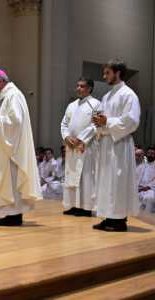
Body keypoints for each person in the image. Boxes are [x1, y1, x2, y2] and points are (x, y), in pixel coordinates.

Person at [0, 69, 42, 226]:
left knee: (10, 182)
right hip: (1, 148)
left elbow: (16, 121)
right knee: (4, 181)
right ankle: (6, 214)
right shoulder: (2, 98)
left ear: (0, 81)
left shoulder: (13, 95)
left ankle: (13, 215)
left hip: (10, 149)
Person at [92, 59, 140, 232]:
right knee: (105, 181)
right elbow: (103, 120)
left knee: (117, 182)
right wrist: (98, 122)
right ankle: (107, 216)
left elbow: (132, 121)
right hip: (106, 144)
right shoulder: (107, 96)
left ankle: (119, 220)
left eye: (107, 73)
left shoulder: (129, 95)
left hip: (119, 145)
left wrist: (107, 121)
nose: (104, 76)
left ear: (118, 73)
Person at [61, 77, 100, 217]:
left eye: (82, 86)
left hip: (86, 146)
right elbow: (64, 123)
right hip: (71, 147)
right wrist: (66, 137)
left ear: (89, 88)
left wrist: (81, 139)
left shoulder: (96, 104)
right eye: (77, 85)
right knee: (71, 175)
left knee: (85, 176)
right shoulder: (71, 105)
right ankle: (73, 205)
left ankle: (85, 207)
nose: (78, 88)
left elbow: (96, 124)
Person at [138, 147, 155, 214]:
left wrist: (148, 187)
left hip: (151, 189)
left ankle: (147, 217)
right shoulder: (142, 165)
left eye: (152, 153)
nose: (150, 155)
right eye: (148, 153)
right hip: (139, 188)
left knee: (149, 198)